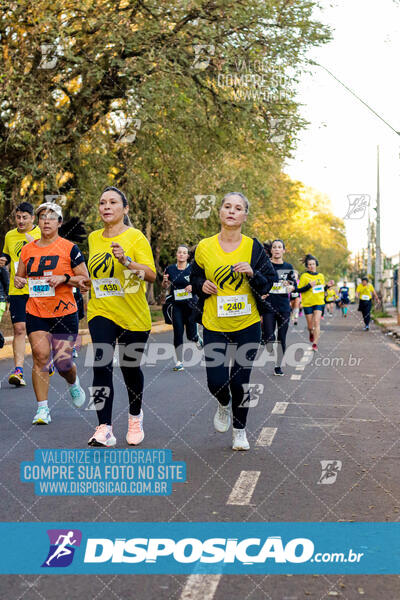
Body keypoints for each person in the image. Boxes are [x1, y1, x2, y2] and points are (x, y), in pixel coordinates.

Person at [191, 192, 275, 451]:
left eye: (238, 208)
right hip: (214, 323)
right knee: (216, 381)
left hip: (247, 324)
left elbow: (268, 280)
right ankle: (223, 403)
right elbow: (193, 278)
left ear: (244, 216)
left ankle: (240, 430)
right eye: (227, 206)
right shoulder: (205, 246)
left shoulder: (253, 247)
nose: (231, 211)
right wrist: (201, 285)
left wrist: (253, 272)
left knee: (240, 381)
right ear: (220, 212)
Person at [80, 186, 156, 448]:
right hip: (101, 310)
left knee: (130, 368)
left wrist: (127, 261)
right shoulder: (93, 238)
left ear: (125, 209)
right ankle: (104, 427)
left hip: (133, 314)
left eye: (113, 202)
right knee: (100, 364)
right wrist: (85, 282)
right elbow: (98, 276)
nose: (106, 207)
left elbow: (151, 275)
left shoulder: (136, 238)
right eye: (102, 202)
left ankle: (135, 417)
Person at [14, 202, 88, 424]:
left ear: (59, 222)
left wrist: (64, 278)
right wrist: (19, 281)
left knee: (64, 363)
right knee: (41, 358)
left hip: (64, 312)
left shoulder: (69, 248)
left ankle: (73, 383)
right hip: (36, 311)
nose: (46, 220)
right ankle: (42, 409)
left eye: (51, 217)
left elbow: (85, 281)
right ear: (38, 222)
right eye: (42, 217)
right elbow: (21, 277)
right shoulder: (28, 250)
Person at [0, 202, 41, 385]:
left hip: (39, 288)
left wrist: (34, 243)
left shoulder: (42, 233)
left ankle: (45, 360)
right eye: (18, 217)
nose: (21, 221)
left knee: (37, 330)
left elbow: (51, 256)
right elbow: (8, 256)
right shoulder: (10, 235)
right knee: (19, 329)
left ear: (33, 218)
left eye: (25, 217)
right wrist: (3, 260)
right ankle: (19, 371)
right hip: (17, 288)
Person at [162, 244, 203, 371]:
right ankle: (179, 362)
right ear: (176, 254)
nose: (181, 254)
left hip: (191, 305)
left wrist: (193, 286)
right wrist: (164, 282)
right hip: (177, 305)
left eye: (184, 253)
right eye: (179, 252)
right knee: (178, 332)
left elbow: (199, 284)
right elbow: (165, 287)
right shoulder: (170, 269)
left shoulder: (193, 269)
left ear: (187, 256)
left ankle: (197, 338)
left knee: (191, 335)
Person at [261, 239, 297, 376]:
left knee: (282, 337)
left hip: (283, 307)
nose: (277, 249)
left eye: (279, 247)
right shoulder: (266, 265)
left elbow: (295, 286)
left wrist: (291, 286)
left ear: (283, 250)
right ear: (271, 250)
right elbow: (259, 281)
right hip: (268, 305)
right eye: (274, 247)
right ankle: (268, 341)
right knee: (270, 337)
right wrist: (262, 292)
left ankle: (278, 365)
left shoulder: (288, 266)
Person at [297, 254, 334, 352]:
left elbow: (321, 289)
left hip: (319, 302)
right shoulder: (304, 276)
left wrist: (328, 286)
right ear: (307, 266)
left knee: (317, 322)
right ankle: (311, 333)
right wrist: (309, 286)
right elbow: (299, 290)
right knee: (310, 327)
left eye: (313, 264)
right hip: (308, 303)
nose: (312, 266)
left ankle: (315, 344)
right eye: (309, 264)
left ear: (316, 265)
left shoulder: (320, 276)